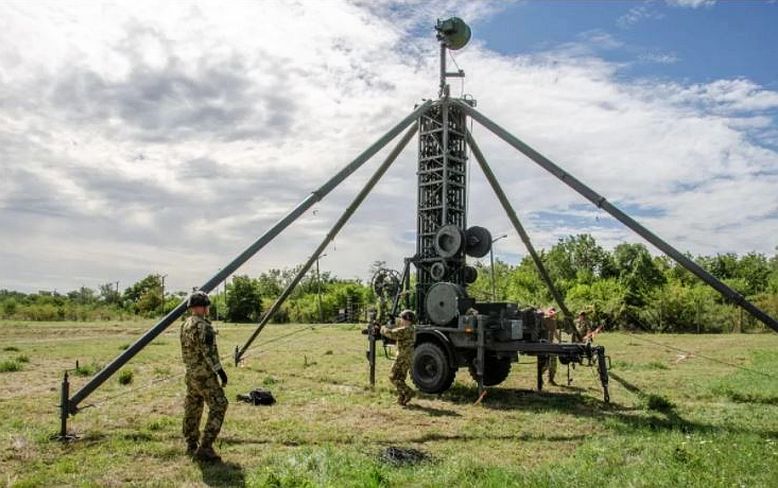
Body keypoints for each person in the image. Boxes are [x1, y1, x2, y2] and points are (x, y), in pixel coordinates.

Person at [180, 291, 228, 462]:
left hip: (191, 373)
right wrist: (220, 371)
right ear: (200, 307)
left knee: (193, 406)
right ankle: (206, 447)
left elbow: (185, 351)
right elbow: (209, 353)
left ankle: (191, 442)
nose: (208, 308)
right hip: (204, 376)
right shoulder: (204, 326)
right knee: (220, 404)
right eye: (206, 305)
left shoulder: (185, 324)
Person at [380, 309, 417, 406]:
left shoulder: (405, 329)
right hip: (407, 356)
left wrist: (382, 328)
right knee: (400, 378)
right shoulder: (411, 328)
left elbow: (392, 333)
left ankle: (408, 392)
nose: (400, 320)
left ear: (407, 319)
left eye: (401, 318)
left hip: (402, 357)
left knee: (392, 377)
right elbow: (397, 329)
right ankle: (402, 398)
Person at [542, 307, 560, 385]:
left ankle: (550, 379)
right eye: (551, 312)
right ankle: (540, 377)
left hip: (551, 344)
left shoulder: (554, 321)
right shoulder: (543, 320)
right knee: (545, 364)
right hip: (543, 344)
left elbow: (555, 332)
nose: (553, 314)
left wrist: (560, 340)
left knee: (553, 363)